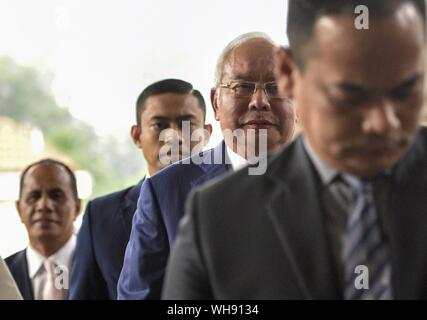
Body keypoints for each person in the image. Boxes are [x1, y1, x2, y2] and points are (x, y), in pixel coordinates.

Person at [162, 0, 427, 299]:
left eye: (406, 91)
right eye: (351, 93)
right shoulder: (215, 220)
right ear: (288, 73)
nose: (383, 123)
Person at [117, 32, 296, 299]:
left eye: (275, 88)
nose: (260, 101)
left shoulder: (336, 186)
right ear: (215, 103)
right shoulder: (165, 192)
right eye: (242, 86)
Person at [69, 79, 211, 299]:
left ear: (206, 134)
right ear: (137, 136)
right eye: (159, 125)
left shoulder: (235, 202)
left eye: (187, 124)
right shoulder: (100, 217)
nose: (173, 136)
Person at [6, 159, 81, 300]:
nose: (44, 205)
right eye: (34, 196)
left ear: (77, 207)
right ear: (19, 209)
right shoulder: (3, 274)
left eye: (56, 195)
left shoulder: (104, 267)